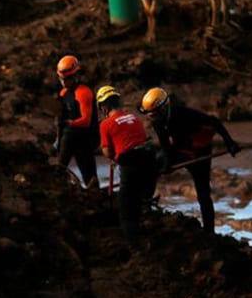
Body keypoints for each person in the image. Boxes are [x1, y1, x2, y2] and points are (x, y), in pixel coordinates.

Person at [140, 87, 241, 233]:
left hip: (200, 154)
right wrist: (168, 163)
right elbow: (165, 143)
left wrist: (230, 143)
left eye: (153, 114)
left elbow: (215, 122)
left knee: (203, 194)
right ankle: (146, 206)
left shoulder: (183, 114)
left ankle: (209, 232)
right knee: (152, 167)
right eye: (149, 114)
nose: (151, 118)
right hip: (179, 150)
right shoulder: (157, 121)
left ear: (163, 108)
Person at [96, 85, 158, 249]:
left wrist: (114, 156)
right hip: (150, 159)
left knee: (125, 205)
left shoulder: (105, 124)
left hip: (130, 161)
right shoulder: (134, 117)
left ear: (104, 106)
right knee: (141, 197)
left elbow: (107, 151)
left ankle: (134, 247)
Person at [54, 55, 99, 188]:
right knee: (61, 167)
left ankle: (95, 195)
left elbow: (86, 121)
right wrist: (58, 139)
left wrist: (69, 123)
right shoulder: (63, 94)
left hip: (85, 137)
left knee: (88, 173)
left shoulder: (84, 93)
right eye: (62, 79)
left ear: (76, 75)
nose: (65, 82)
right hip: (69, 135)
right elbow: (60, 120)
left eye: (68, 79)